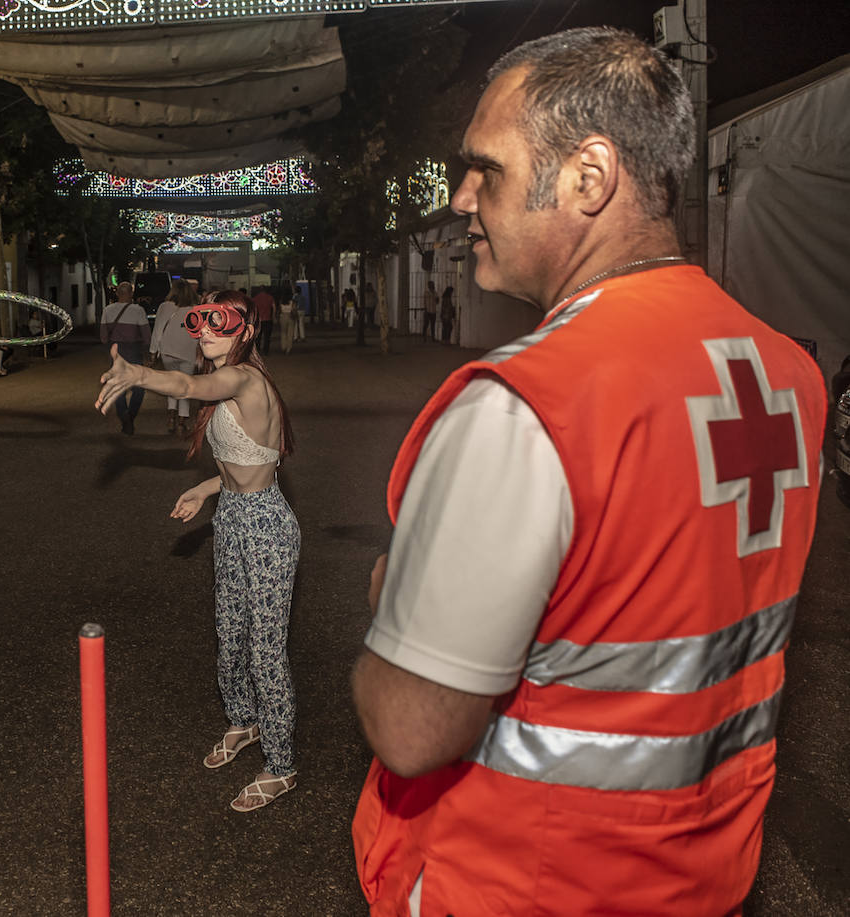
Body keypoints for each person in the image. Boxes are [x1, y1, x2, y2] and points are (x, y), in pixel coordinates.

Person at [350, 28, 826, 917]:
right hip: (705, 876)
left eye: (485, 168)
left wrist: (393, 593)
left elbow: (412, 727)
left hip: (525, 883)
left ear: (587, 177)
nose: (461, 199)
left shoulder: (527, 404)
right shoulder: (786, 377)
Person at [96, 290, 300, 813]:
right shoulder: (228, 384)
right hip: (232, 514)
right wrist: (206, 489)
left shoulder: (244, 379)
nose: (206, 330)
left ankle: (281, 767)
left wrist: (139, 375)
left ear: (245, 329)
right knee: (229, 635)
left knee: (264, 651)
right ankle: (244, 720)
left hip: (266, 527)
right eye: (198, 321)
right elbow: (250, 461)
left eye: (220, 321)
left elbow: (188, 384)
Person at [148, 278, 200, 435]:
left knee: (172, 384)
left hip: (168, 352)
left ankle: (171, 418)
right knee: (185, 386)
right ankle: (182, 422)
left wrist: (153, 352)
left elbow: (157, 331)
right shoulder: (196, 309)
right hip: (188, 352)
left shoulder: (164, 307)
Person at [99, 281, 149, 434]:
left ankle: (124, 416)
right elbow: (146, 335)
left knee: (118, 386)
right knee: (139, 387)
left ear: (117, 293)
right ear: (131, 294)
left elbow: (103, 336)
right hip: (134, 350)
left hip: (116, 351)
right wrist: (147, 352)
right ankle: (130, 416)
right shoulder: (138, 310)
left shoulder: (107, 310)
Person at [251, 285, 276, 355]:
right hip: (268, 319)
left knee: (258, 336)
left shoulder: (255, 298)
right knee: (267, 336)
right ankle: (266, 350)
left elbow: (253, 309)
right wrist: (273, 317)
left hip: (258, 320)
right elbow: (274, 307)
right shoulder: (270, 297)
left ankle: (258, 350)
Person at [277, 282, 298, 354]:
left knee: (283, 333)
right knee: (290, 333)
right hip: (290, 316)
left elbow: (279, 310)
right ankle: (288, 348)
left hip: (283, 316)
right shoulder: (292, 301)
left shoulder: (281, 301)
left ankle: (283, 346)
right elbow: (294, 310)